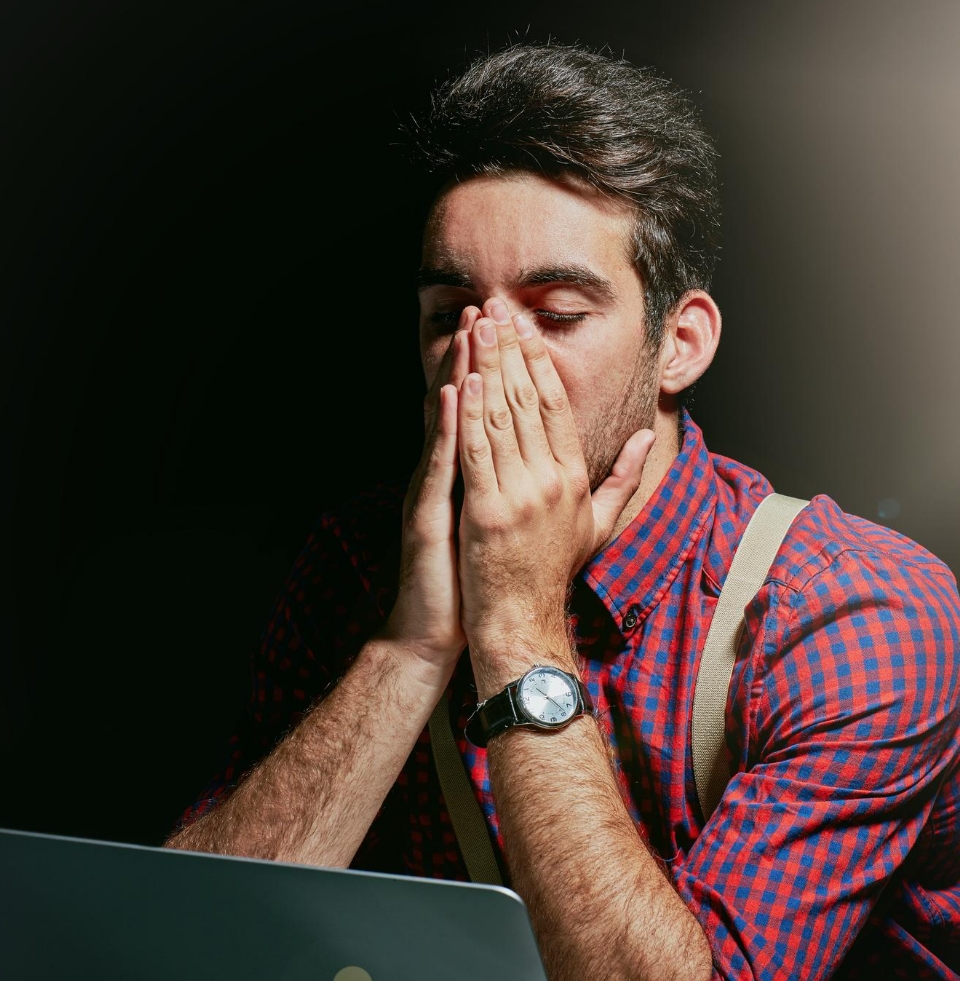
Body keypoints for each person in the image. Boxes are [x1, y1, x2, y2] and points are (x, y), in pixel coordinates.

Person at [163, 40, 960, 981]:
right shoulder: (355, 564)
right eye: (450, 312)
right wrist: (410, 647)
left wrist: (514, 620)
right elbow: (185, 947)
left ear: (679, 344)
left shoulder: (856, 608)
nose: (486, 358)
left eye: (556, 313)